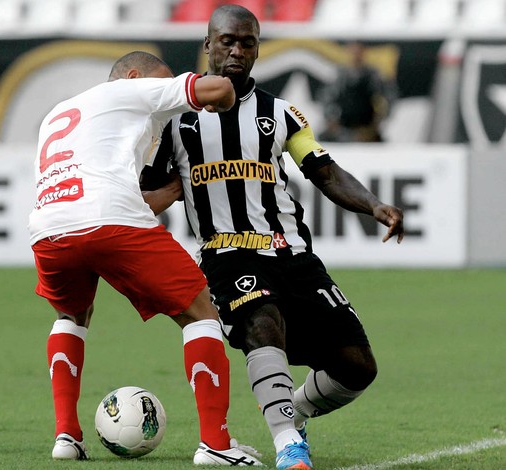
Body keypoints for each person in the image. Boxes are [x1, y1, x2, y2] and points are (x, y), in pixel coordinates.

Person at [142, 6, 405, 470]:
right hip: (226, 253)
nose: (237, 50)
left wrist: (374, 206)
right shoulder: (174, 121)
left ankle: (294, 412)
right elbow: (151, 191)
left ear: (258, 49)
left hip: (292, 254)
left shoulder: (280, 114)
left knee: (357, 367)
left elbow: (323, 171)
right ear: (208, 45)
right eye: (227, 40)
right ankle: (287, 444)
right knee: (263, 322)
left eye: (247, 42)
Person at [28, 50, 263, 466]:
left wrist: (172, 190)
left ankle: (66, 435)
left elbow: (102, 192)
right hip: (110, 221)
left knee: (72, 316)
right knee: (201, 312)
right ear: (134, 76)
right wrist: (225, 107)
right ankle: (216, 444)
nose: (163, 98)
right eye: (159, 83)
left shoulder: (60, 113)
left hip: (49, 227)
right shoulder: (131, 93)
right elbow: (220, 87)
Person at [319, 41, 396, 143]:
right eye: (353, 52)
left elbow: (388, 98)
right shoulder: (340, 75)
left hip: (367, 129)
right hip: (343, 128)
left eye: (359, 52)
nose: (356, 55)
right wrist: (331, 121)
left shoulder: (372, 76)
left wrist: (376, 124)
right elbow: (326, 98)